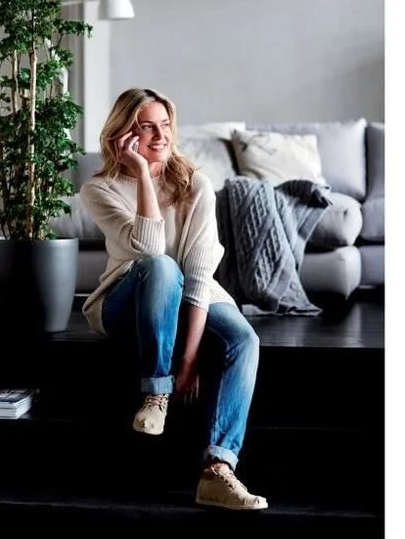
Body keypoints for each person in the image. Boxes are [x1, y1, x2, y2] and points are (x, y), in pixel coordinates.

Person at [79, 88, 267, 511]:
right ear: (123, 134)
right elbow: (148, 250)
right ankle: (155, 394)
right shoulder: (99, 189)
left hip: (187, 296)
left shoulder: (196, 185)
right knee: (162, 266)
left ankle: (217, 470)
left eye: (164, 125)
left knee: (244, 339)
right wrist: (142, 174)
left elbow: (199, 274)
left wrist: (189, 359)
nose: (160, 136)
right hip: (126, 299)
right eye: (146, 127)